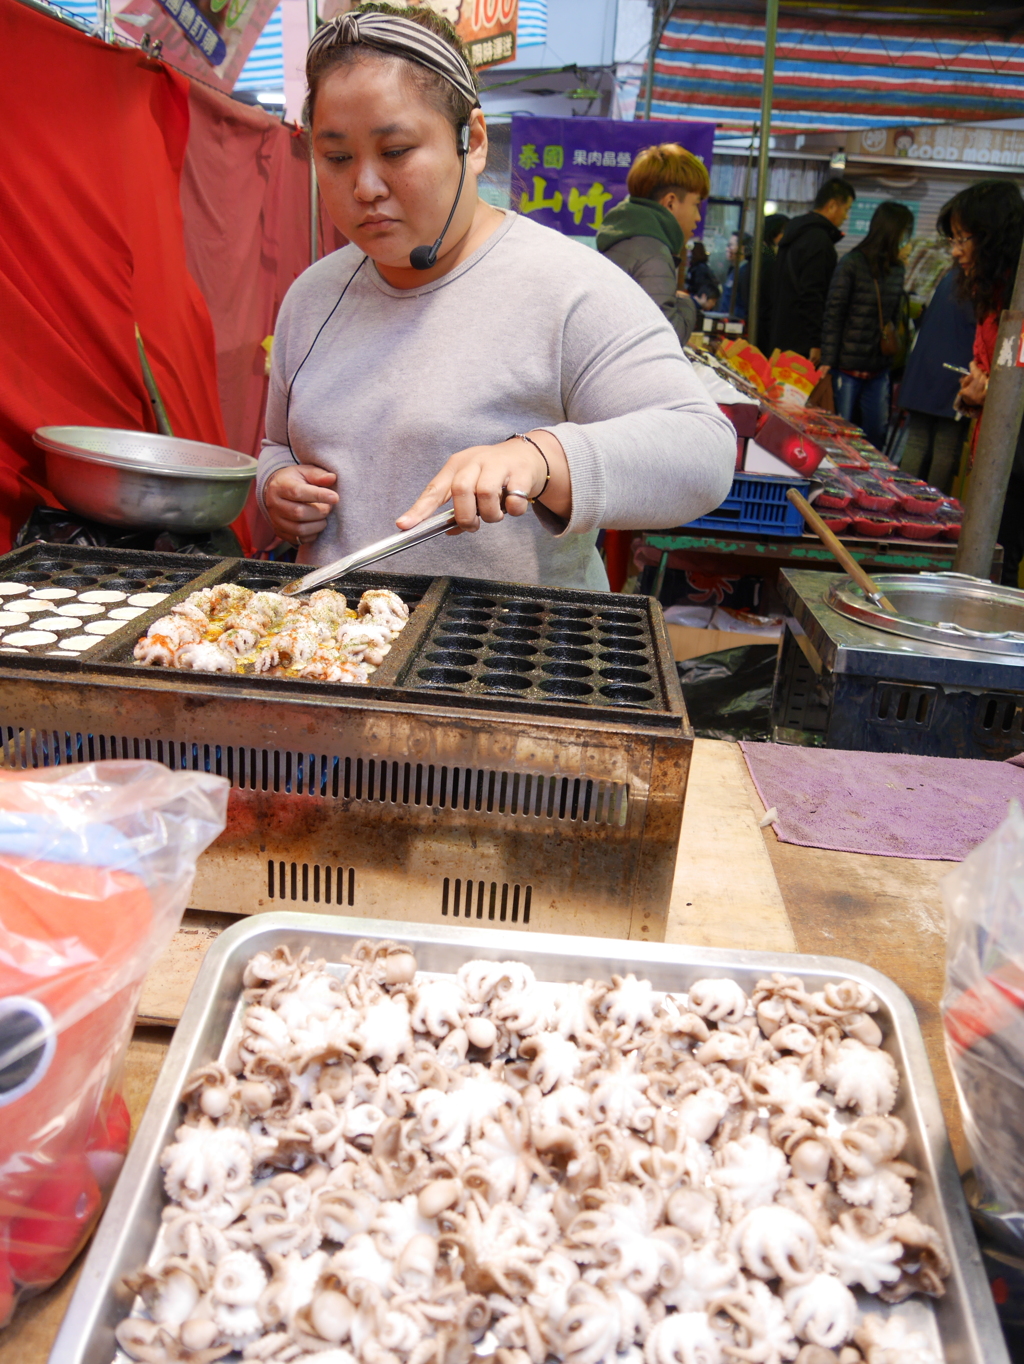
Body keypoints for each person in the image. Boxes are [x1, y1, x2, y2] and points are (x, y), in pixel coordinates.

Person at [257, 4, 735, 591]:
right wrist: (277, 485)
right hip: (335, 656)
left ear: (473, 141)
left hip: (512, 663)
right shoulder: (312, 296)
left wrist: (541, 458)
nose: (365, 187)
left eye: (396, 151)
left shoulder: (569, 288)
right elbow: (277, 444)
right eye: (336, 158)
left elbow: (703, 452)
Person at [940, 180, 1024, 586]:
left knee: (999, 565)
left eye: (962, 239)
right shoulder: (990, 294)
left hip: (1015, 463)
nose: (956, 251)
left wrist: (989, 391)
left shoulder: (1018, 298)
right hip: (994, 453)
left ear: (991, 236)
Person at [818, 201, 914, 451]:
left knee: (875, 435)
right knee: (840, 433)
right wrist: (828, 360)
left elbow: (892, 318)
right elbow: (834, 313)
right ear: (892, 231)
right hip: (846, 367)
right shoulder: (852, 263)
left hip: (878, 369)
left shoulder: (897, 270)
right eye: (905, 232)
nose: (907, 239)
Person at [596, 143, 710, 347]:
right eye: (696, 204)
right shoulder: (654, 255)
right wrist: (686, 303)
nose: (698, 217)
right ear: (671, 203)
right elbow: (663, 340)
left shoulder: (622, 238)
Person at [895, 263, 974, 492]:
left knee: (916, 440)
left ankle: (901, 497)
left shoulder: (950, 276)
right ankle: (932, 505)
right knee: (945, 448)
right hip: (955, 372)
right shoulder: (979, 284)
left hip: (924, 369)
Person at [770, 177, 856, 360]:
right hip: (802, 342)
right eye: (846, 209)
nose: (846, 216)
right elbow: (812, 293)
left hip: (781, 335)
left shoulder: (794, 233)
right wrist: (816, 341)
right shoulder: (819, 240)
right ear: (832, 205)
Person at [735, 213, 789, 346]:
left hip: (755, 324)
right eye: (784, 232)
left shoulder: (755, 257)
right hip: (763, 328)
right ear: (774, 232)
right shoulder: (767, 261)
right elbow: (769, 298)